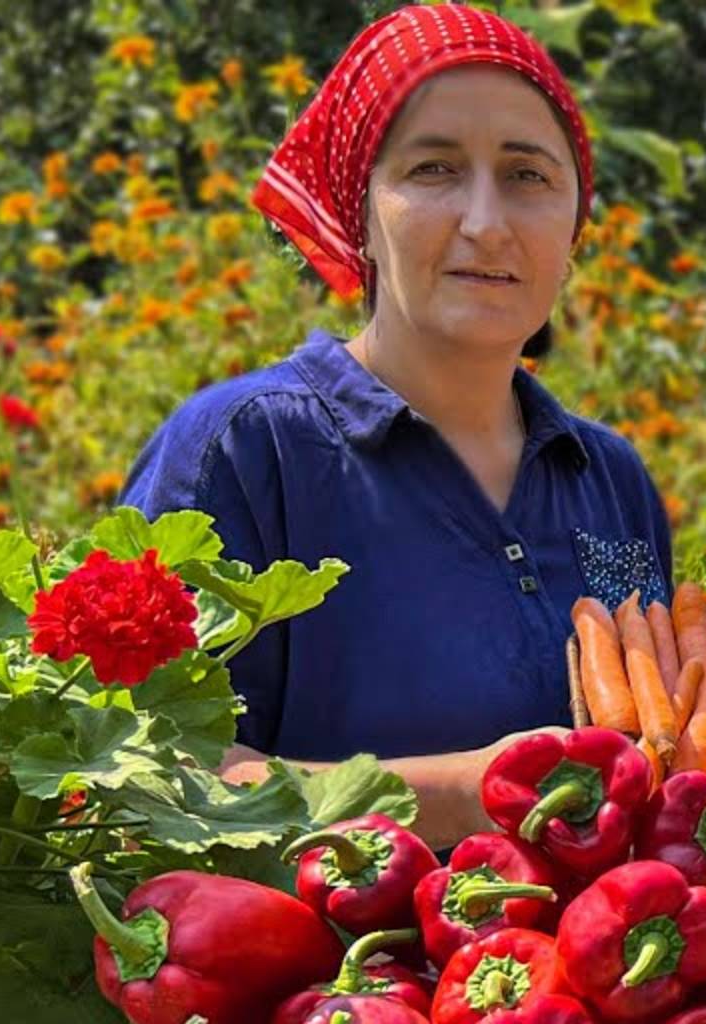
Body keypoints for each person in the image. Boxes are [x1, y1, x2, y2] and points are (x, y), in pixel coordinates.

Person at [123, 4, 671, 844]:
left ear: (575, 228)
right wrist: (466, 791)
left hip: (599, 964)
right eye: (434, 170)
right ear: (363, 214)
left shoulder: (608, 477)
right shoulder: (240, 450)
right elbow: (144, 778)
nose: (486, 221)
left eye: (528, 176)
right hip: (328, 972)